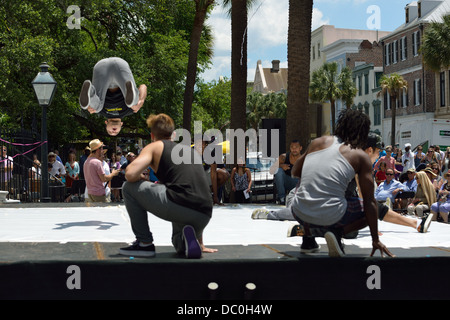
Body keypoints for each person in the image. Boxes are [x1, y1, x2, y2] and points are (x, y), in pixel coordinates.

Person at [290, 109, 393, 258]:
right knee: (374, 208)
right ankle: (336, 233)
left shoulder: (317, 142)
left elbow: (295, 171)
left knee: (305, 181)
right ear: (362, 132)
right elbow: (369, 201)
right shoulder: (360, 155)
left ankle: (308, 239)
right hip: (331, 215)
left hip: (299, 210)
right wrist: (375, 240)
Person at [119, 114, 217, 258]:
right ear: (174, 134)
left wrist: (140, 177)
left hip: (180, 204)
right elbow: (196, 188)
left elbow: (130, 174)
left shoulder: (154, 146)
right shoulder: (188, 151)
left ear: (152, 135)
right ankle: (191, 241)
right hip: (204, 213)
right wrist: (201, 243)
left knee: (128, 187)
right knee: (178, 244)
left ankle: (144, 244)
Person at [79, 57, 148, 136]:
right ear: (121, 124)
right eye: (116, 132)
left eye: (110, 132)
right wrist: (141, 101)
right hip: (120, 66)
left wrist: (89, 106)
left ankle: (89, 92)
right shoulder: (130, 111)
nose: (113, 131)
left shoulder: (101, 112)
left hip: (101, 67)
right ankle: (130, 92)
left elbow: (93, 108)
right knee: (134, 105)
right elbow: (143, 86)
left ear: (106, 123)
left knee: (95, 108)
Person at [273, 140, 302, 205]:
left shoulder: (304, 159)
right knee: (278, 170)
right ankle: (282, 198)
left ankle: (299, 198)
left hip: (298, 184)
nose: (294, 149)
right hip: (286, 182)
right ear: (290, 148)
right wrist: (281, 166)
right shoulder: (283, 157)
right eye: (292, 147)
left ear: (300, 148)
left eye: (296, 147)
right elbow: (271, 169)